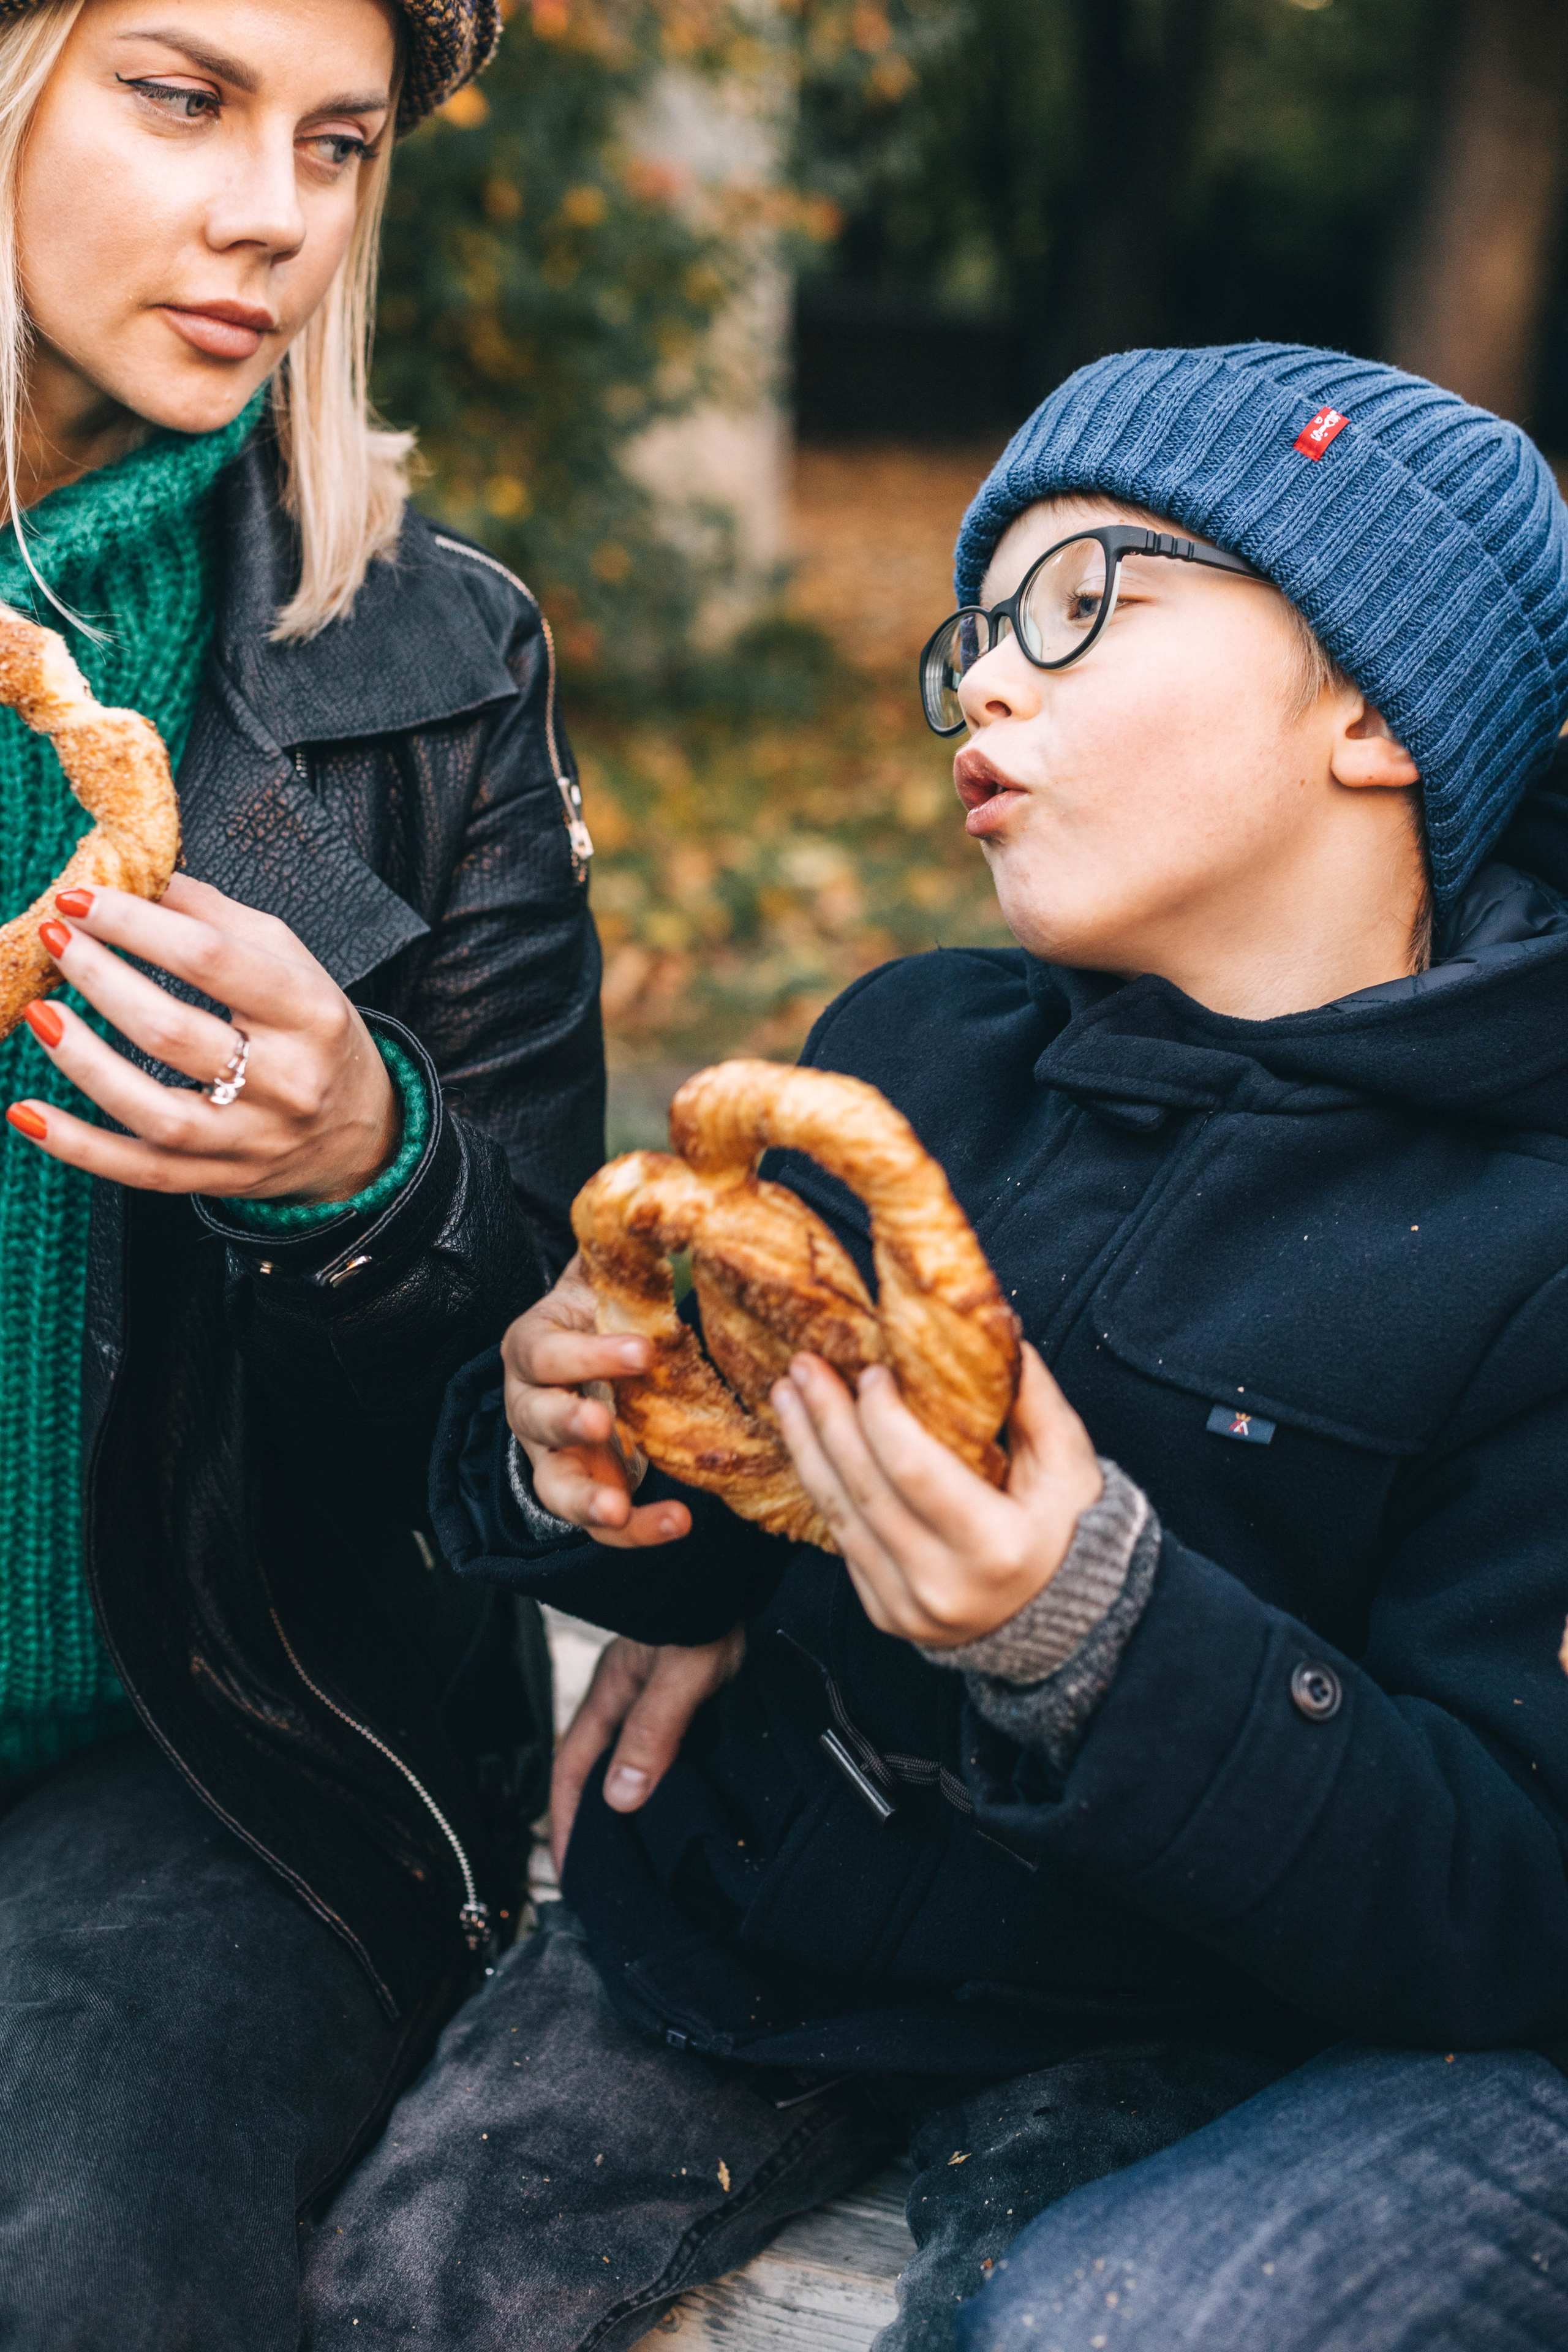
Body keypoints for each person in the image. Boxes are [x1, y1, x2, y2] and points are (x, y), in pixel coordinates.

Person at [303, 339, 1568, 2352]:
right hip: (752, 1925)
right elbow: (735, 1517)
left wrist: (1091, 1633)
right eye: (975, 631)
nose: (984, 679)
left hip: (1203, 2023)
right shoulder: (916, 1053)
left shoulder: (1520, 1241)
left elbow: (1506, 1885)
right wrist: (574, 1460)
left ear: (1372, 703)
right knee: (404, 2285)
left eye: (1082, 605)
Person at [0, 2, 601, 2344]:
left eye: (337, 142)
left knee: (90, 2264)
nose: (278, 209)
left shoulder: (420, 663)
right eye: (185, 96)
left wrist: (369, 1174)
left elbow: (536, 1395)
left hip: (225, 1747)